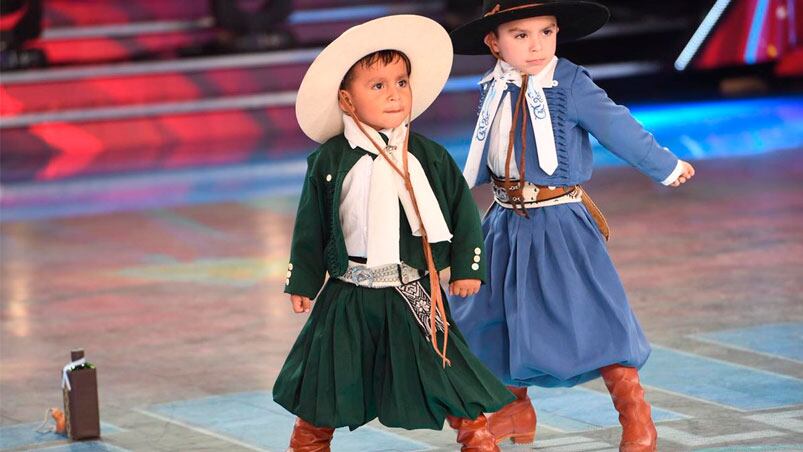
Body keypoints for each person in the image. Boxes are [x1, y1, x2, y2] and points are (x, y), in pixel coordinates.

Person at [448, 1, 695, 451]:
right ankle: (512, 409)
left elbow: (616, 125)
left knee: (592, 316)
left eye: (546, 31)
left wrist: (665, 165)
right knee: (491, 314)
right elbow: (486, 149)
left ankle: (636, 417)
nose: (537, 45)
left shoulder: (570, 84)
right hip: (504, 221)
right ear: (493, 42)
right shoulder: (492, 87)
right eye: (521, 35)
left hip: (559, 221)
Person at [272, 14, 515, 451]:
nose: (393, 94)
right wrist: (303, 280)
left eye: (401, 82)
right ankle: (309, 443)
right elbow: (311, 226)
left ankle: (479, 441)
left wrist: (464, 266)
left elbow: (461, 213)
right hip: (348, 293)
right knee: (325, 381)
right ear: (347, 100)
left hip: (413, 291)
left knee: (449, 371)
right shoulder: (329, 162)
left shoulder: (429, 156)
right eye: (377, 85)